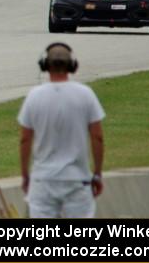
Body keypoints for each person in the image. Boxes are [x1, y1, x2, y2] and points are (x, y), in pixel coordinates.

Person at [19, 43, 105, 218]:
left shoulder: (34, 96)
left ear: (45, 65)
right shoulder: (85, 94)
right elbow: (97, 136)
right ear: (72, 66)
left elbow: (25, 139)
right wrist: (97, 173)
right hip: (77, 179)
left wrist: (25, 175)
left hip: (43, 179)